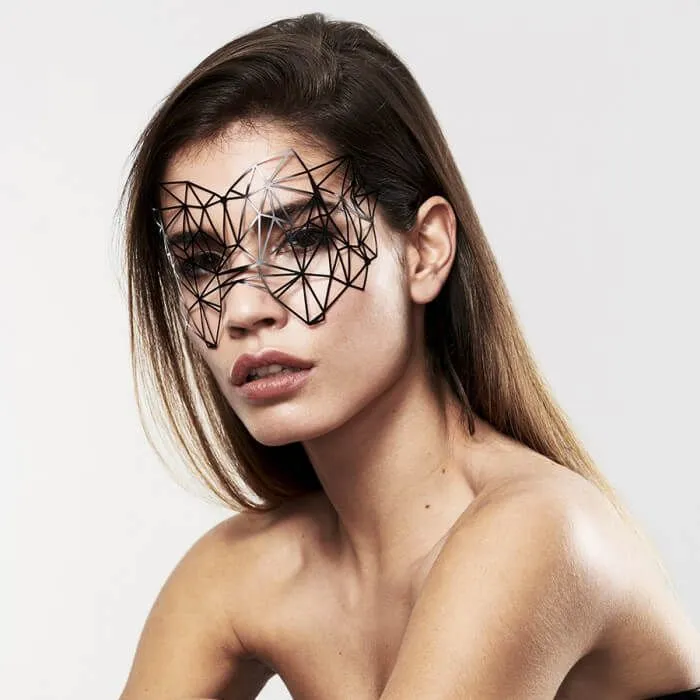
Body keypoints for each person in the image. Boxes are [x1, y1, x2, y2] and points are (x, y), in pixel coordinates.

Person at [117, 12, 700, 700]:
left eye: (304, 239)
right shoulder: (239, 576)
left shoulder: (537, 532)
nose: (244, 308)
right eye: (201, 262)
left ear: (424, 251)